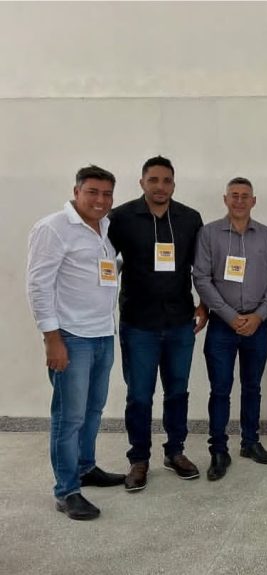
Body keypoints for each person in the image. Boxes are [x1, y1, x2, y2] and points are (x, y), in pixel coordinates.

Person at [27, 165, 125, 520]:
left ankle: (86, 467)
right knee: (68, 418)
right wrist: (52, 339)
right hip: (71, 337)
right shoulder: (53, 228)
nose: (101, 200)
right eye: (92, 192)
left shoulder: (106, 229)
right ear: (76, 191)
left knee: (93, 409)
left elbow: (103, 273)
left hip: (103, 334)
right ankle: (66, 490)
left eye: (107, 194)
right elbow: (38, 286)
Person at [109, 156, 207, 491]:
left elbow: (201, 268)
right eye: (153, 180)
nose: (160, 186)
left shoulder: (190, 219)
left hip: (180, 321)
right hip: (139, 323)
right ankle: (139, 458)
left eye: (166, 180)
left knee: (177, 391)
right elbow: (102, 261)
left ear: (174, 185)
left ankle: (175, 451)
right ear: (142, 183)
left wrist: (204, 304)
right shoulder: (120, 218)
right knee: (139, 395)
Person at [193, 177, 267, 481]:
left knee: (252, 386)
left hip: (258, 324)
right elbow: (201, 278)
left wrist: (259, 315)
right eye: (234, 195)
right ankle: (219, 450)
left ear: (254, 201)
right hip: (222, 325)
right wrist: (230, 316)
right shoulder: (209, 234)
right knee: (220, 390)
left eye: (245, 196)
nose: (240, 200)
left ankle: (250, 442)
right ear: (225, 199)